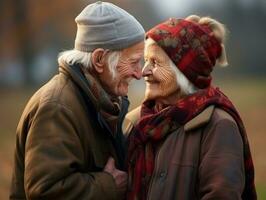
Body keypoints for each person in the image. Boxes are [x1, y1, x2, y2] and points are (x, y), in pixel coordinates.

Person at [10, 1, 145, 199]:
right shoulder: (57, 108)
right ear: (99, 60)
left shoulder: (99, 100)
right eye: (133, 62)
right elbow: (45, 191)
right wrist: (109, 185)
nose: (139, 73)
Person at [124, 15, 257, 200]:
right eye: (145, 61)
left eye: (155, 63)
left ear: (185, 73)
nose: (143, 71)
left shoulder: (219, 127)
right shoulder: (136, 123)